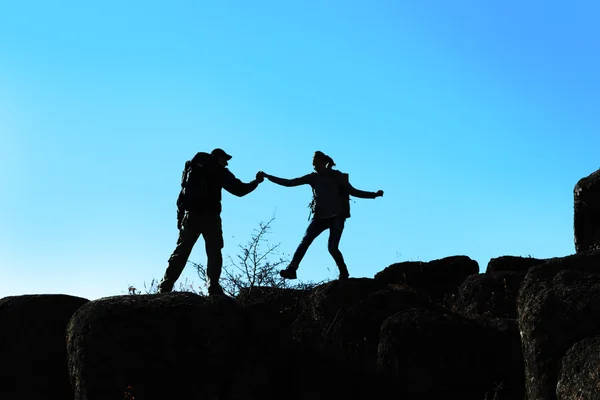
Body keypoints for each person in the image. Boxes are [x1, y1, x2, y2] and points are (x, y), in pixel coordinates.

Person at [259, 151, 383, 280]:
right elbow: (290, 182)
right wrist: (268, 176)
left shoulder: (337, 176)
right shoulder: (312, 177)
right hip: (319, 217)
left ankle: (344, 273)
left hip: (336, 217)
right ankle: (292, 269)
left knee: (332, 247)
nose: (314, 167)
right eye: (313, 165)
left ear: (325, 163)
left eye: (316, 164)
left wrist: (373, 195)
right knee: (305, 241)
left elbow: (353, 191)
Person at [158, 148, 264, 295]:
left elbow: (182, 195)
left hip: (190, 216)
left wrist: (180, 217)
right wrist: (256, 182)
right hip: (210, 217)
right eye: (225, 159)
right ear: (217, 157)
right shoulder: (218, 171)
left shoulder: (192, 169)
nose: (226, 163)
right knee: (214, 252)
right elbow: (239, 190)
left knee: (181, 252)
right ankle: (213, 287)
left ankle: (165, 286)